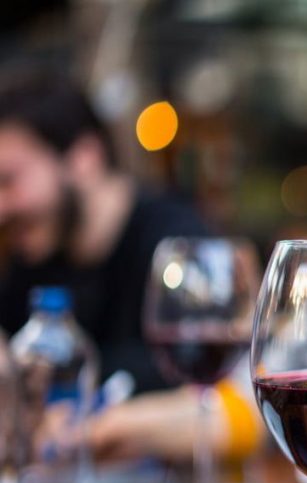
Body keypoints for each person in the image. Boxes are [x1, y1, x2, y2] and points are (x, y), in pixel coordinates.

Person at [0, 69, 259, 461]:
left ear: (83, 159)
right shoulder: (29, 261)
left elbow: (238, 400)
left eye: (9, 180)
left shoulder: (177, 243)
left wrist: (103, 427)